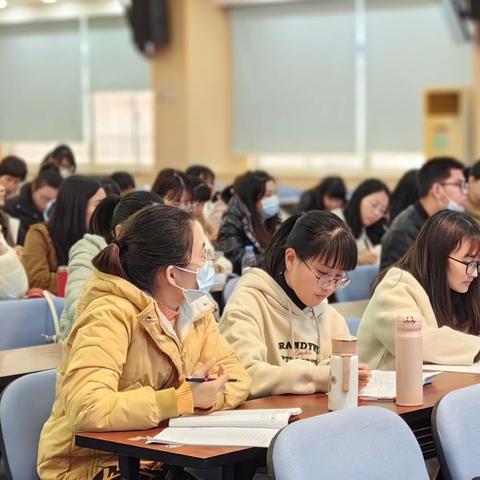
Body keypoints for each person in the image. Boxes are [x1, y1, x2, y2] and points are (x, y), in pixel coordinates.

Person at [37, 205, 251, 479]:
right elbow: (87, 408)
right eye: (202, 257)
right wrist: (181, 401)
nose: (209, 264)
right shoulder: (109, 314)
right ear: (172, 274)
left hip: (158, 457)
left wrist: (207, 399)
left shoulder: (195, 309)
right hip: (93, 466)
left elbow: (238, 378)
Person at [220, 211, 370, 398]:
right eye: (322, 274)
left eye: (338, 277)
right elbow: (241, 377)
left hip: (317, 420)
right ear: (290, 259)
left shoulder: (331, 317)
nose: (329, 287)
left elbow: (340, 378)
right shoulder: (248, 303)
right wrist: (317, 377)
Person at [359, 210, 480, 370]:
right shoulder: (395, 287)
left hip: (431, 386)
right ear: (438, 256)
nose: (474, 273)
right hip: (383, 390)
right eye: (469, 262)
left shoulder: (459, 288)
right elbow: (419, 342)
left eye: (478, 263)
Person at [58, 191, 162, 340]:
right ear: (120, 232)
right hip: (86, 344)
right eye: (152, 229)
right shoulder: (89, 250)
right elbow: (79, 311)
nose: (161, 237)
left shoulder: (164, 259)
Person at [22, 176, 106, 293]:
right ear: (78, 207)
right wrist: (87, 281)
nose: (104, 211)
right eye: (98, 205)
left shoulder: (102, 237)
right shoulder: (39, 234)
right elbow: (37, 279)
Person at [381, 157, 466, 270]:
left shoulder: (442, 224)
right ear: (437, 189)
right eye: (459, 185)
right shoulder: (404, 230)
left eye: (465, 185)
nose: (465, 192)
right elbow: (401, 279)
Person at [217, 170, 280, 274]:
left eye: (275, 193)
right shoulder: (231, 222)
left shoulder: (274, 221)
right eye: (268, 195)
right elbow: (235, 260)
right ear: (251, 198)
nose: (274, 199)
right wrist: (276, 260)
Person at [333, 179, 390, 265]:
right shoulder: (334, 220)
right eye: (374, 205)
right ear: (359, 198)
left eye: (383, 210)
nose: (377, 213)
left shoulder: (363, 228)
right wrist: (357, 259)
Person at [4, 169, 63, 245]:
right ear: (34, 188)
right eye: (45, 198)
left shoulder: (58, 211)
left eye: (53, 201)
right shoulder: (10, 208)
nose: (48, 205)